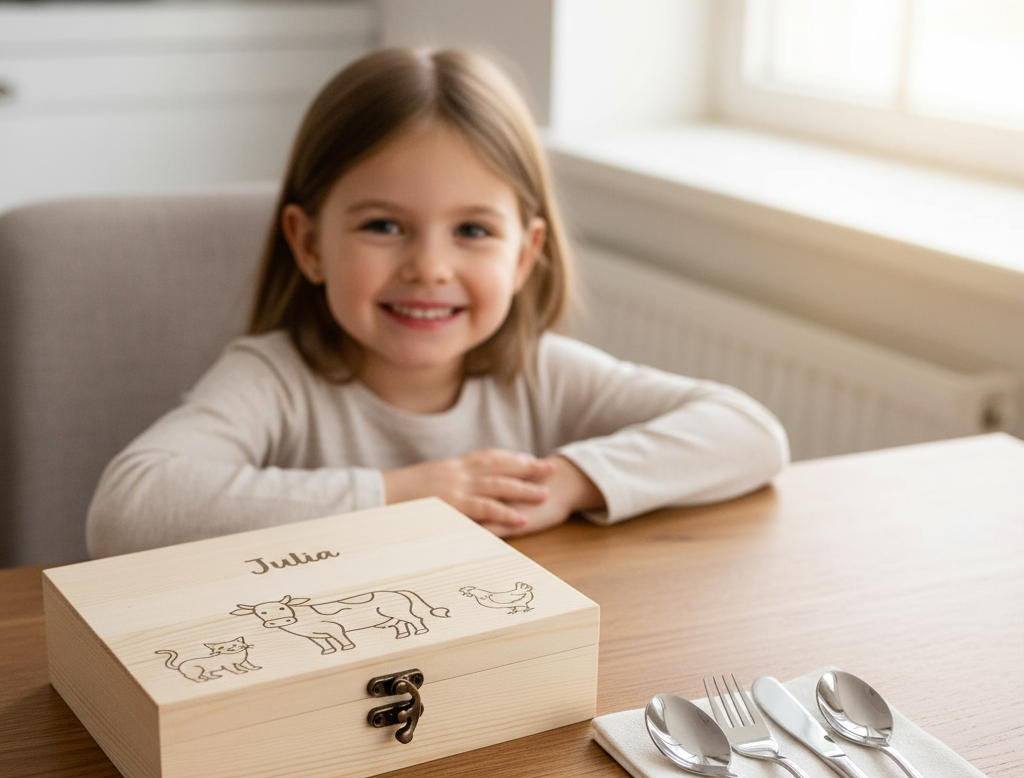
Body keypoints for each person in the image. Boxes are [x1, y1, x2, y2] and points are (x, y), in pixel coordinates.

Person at [86, 47, 789, 559]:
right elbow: (128, 510)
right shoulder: (274, 380)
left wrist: (574, 482)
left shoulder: (542, 373)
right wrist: (404, 492)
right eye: (383, 226)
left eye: (473, 231)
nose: (429, 267)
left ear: (522, 255)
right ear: (309, 246)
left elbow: (750, 432)